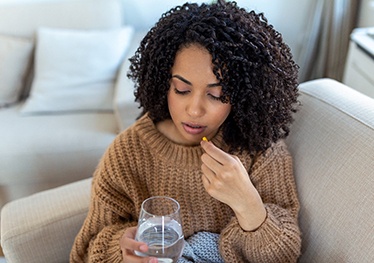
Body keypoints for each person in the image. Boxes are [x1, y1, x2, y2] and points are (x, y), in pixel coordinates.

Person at [70, 0, 301, 262]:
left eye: (216, 95)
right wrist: (121, 253)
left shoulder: (259, 149)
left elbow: (285, 255)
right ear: (162, 84)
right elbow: (89, 248)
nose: (194, 110)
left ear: (242, 96)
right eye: (182, 90)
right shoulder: (127, 153)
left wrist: (248, 204)